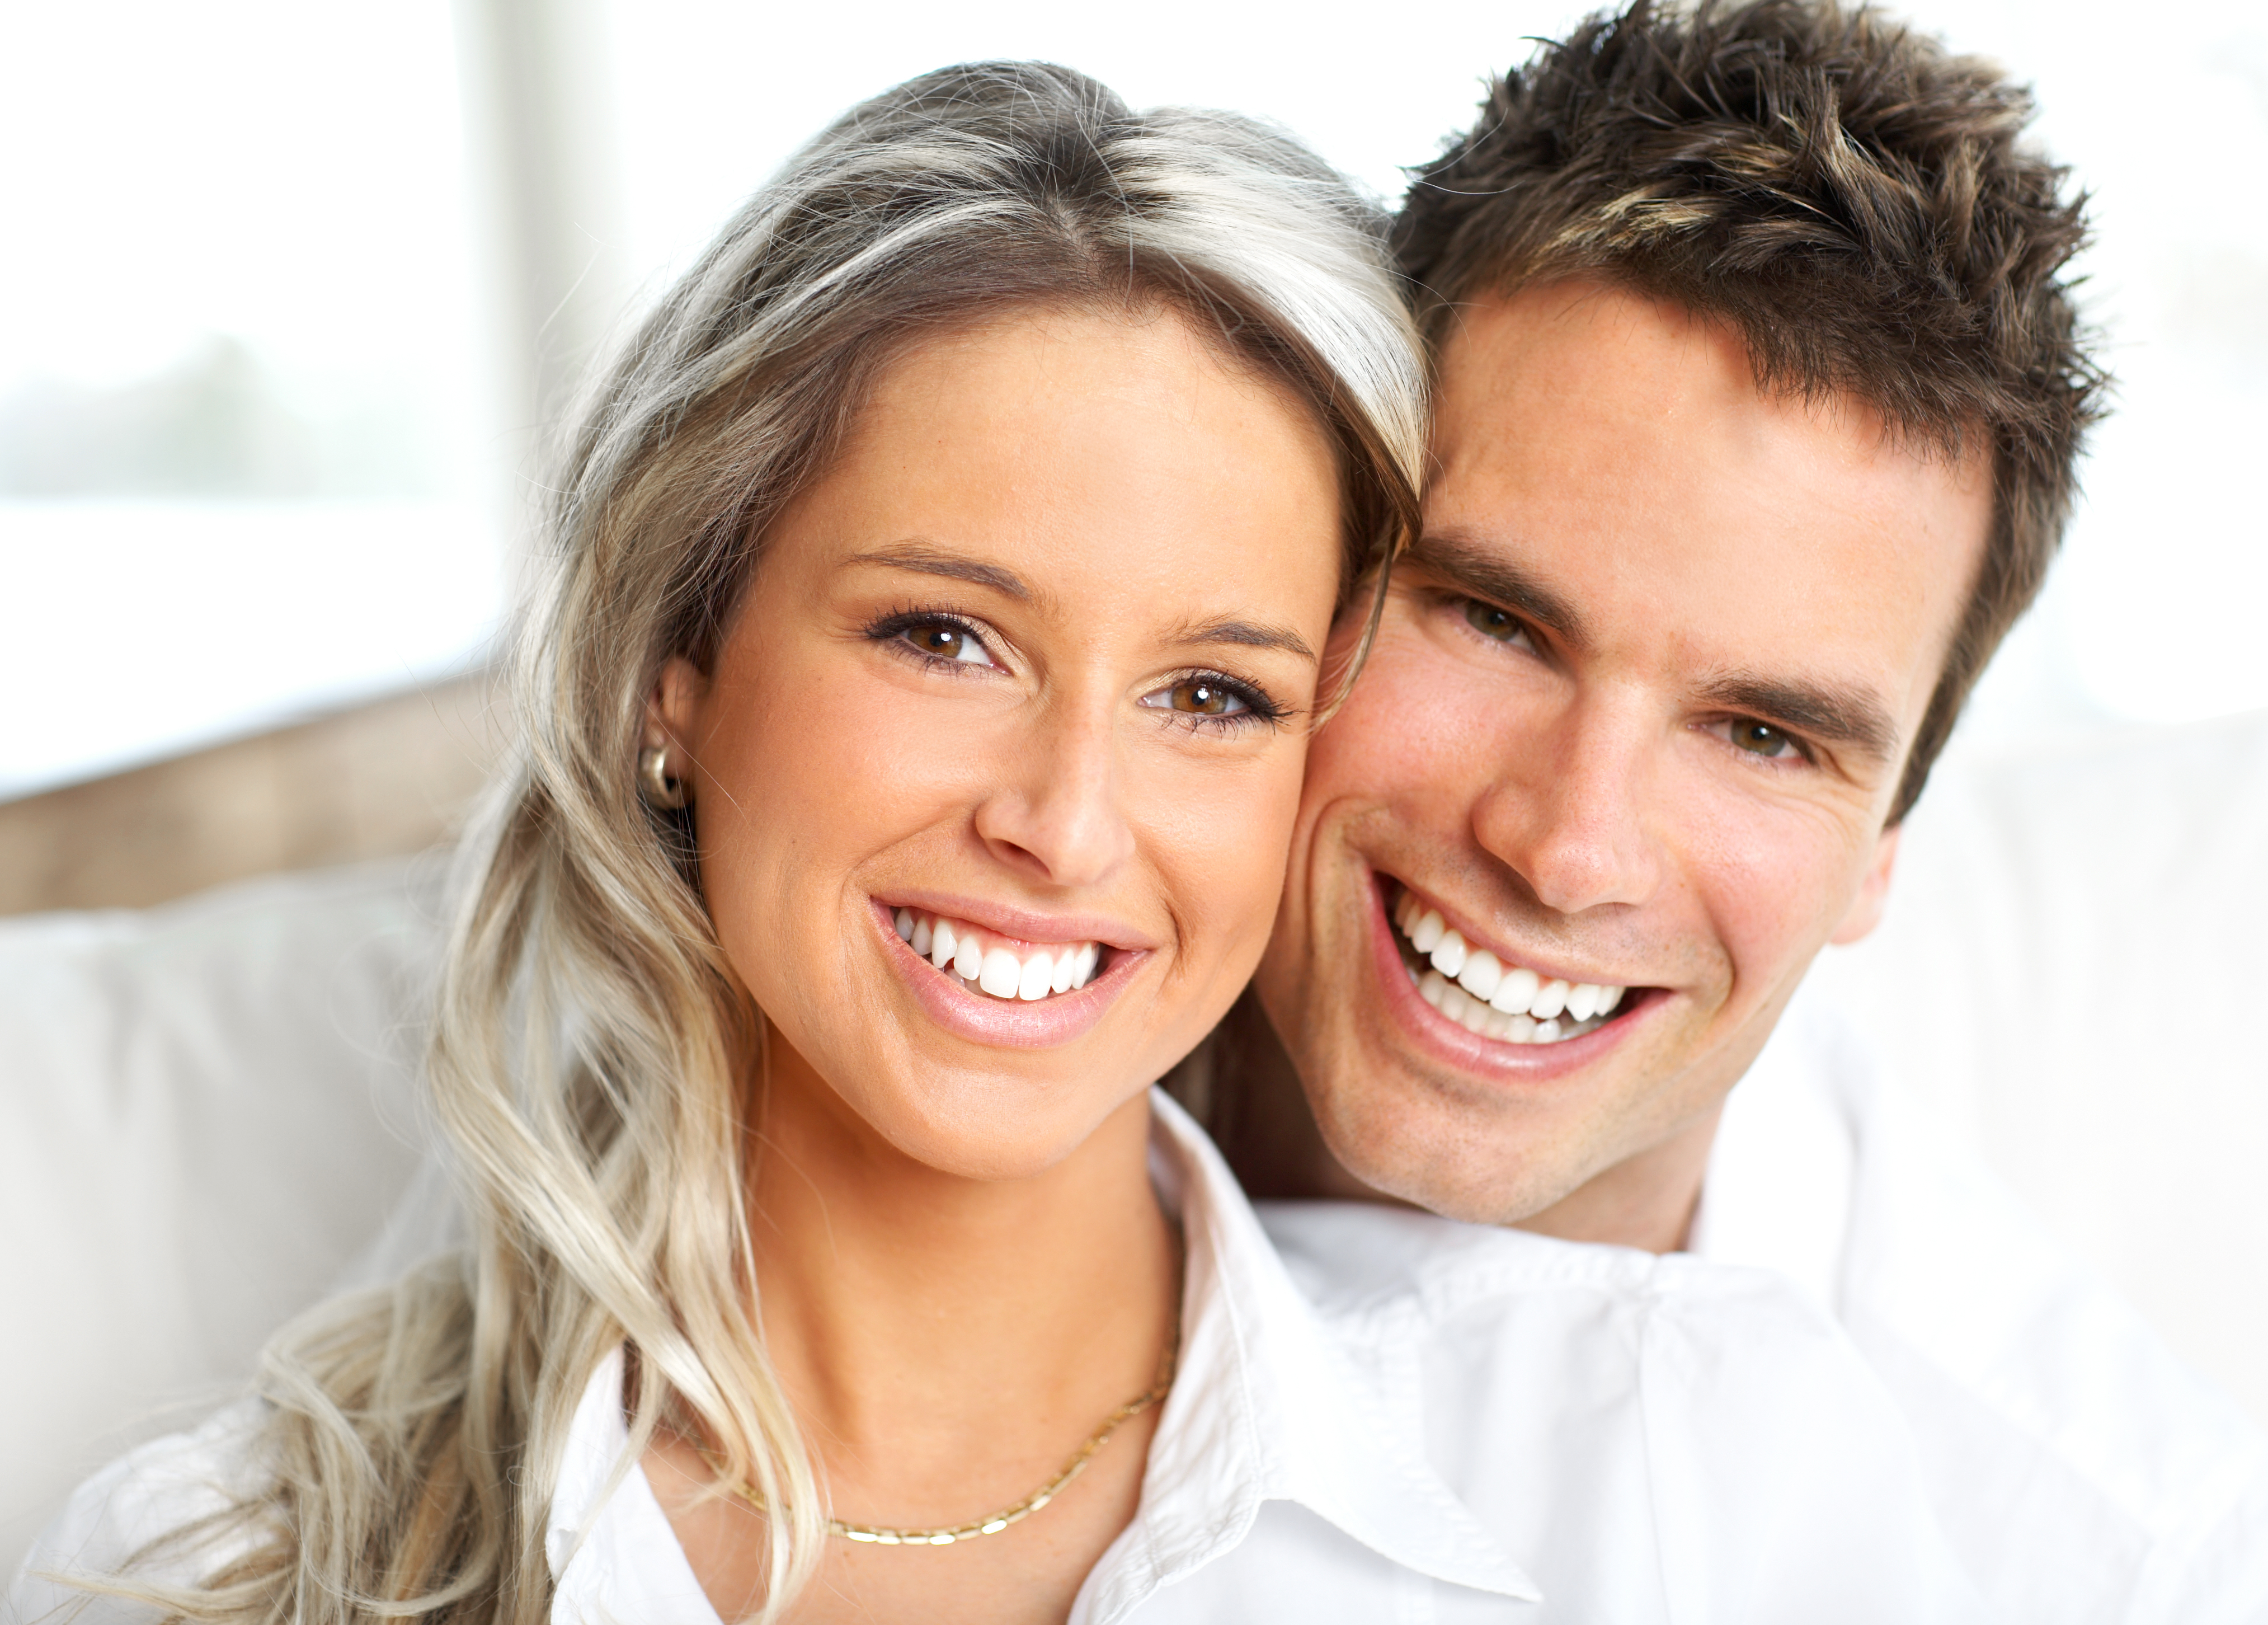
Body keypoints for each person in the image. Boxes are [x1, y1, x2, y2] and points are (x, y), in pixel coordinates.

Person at [11, 59, 1984, 1625]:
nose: (1060, 823)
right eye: (943, 637)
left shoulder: (1691, 1481)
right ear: (673, 669)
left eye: (1212, 693)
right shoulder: (229, 1568)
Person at [1207, 3, 2268, 1620]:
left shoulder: (2107, 1554)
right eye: (1495, 621)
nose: (1567, 847)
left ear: (1885, 846)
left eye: (1763, 735)